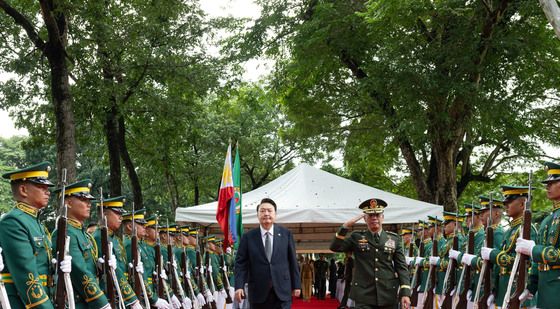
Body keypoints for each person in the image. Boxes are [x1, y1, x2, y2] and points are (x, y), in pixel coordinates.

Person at [0, 162, 71, 309]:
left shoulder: (37, 223)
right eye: (41, 187)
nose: (48, 192)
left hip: (44, 299)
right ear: (23, 189)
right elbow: (26, 276)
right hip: (23, 303)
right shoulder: (14, 221)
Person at [330, 198, 411, 309]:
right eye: (370, 216)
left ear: (382, 217)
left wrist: (405, 292)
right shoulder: (356, 237)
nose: (374, 218)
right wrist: (345, 227)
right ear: (365, 219)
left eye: (377, 215)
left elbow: (401, 267)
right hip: (364, 294)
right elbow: (335, 247)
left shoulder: (394, 239)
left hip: (387, 293)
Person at [52, 179, 111, 309]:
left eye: (89, 201)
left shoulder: (84, 234)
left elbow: (90, 267)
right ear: (68, 203)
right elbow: (80, 271)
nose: (89, 204)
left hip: (90, 301)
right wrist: (102, 303)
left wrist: (101, 267)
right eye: (84, 200)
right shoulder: (65, 232)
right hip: (78, 302)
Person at [234, 198, 301, 309]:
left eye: (269, 211)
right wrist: (239, 286)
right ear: (257, 215)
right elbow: (240, 263)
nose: (266, 214)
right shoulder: (248, 237)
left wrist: (296, 284)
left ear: (275, 214)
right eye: (262, 211)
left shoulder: (286, 234)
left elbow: (293, 260)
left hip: (282, 290)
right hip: (258, 292)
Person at [480, 185, 537, 308]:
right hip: (504, 288)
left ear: (522, 204)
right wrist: (495, 290)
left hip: (517, 288)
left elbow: (527, 263)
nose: (506, 206)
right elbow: (498, 267)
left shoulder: (526, 229)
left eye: (510, 202)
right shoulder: (509, 231)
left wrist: (493, 254)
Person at [516, 162, 560, 309]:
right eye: (547, 183)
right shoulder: (548, 219)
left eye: (553, 183)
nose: (547, 187)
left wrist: (533, 249)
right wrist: (531, 287)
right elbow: (538, 262)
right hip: (544, 294)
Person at [93, 196, 142, 309]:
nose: (120, 217)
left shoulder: (115, 238)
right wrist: (131, 298)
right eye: (116, 213)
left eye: (121, 213)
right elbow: (113, 271)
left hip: (121, 294)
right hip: (110, 293)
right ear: (104, 214)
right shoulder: (99, 237)